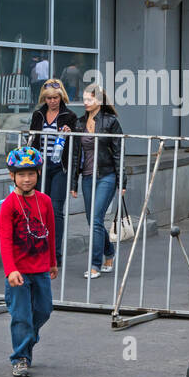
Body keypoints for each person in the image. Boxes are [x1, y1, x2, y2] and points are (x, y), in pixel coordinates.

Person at [0, 147, 56, 377]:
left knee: (44, 310)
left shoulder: (45, 201)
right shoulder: (9, 205)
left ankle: (28, 337)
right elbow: (5, 240)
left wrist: (53, 262)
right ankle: (20, 358)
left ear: (38, 174)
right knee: (21, 315)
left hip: (41, 268)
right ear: (12, 175)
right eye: (21, 174)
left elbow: (51, 233)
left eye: (31, 173)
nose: (26, 179)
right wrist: (10, 270)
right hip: (18, 273)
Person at [70, 84, 124, 279]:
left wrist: (121, 181)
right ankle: (109, 252)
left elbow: (119, 153)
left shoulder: (111, 122)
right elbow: (76, 155)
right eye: (84, 99)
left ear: (99, 101)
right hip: (87, 176)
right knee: (93, 221)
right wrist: (74, 183)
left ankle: (95, 264)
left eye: (90, 99)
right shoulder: (79, 123)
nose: (85, 102)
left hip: (106, 175)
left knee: (95, 219)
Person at [27, 78, 77, 268]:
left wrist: (69, 132)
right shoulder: (38, 114)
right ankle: (39, 249)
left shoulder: (69, 115)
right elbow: (31, 140)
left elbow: (75, 144)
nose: (52, 101)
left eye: (55, 97)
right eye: (48, 98)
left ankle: (55, 254)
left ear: (61, 96)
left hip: (60, 167)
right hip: (41, 167)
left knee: (55, 210)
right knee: (38, 209)